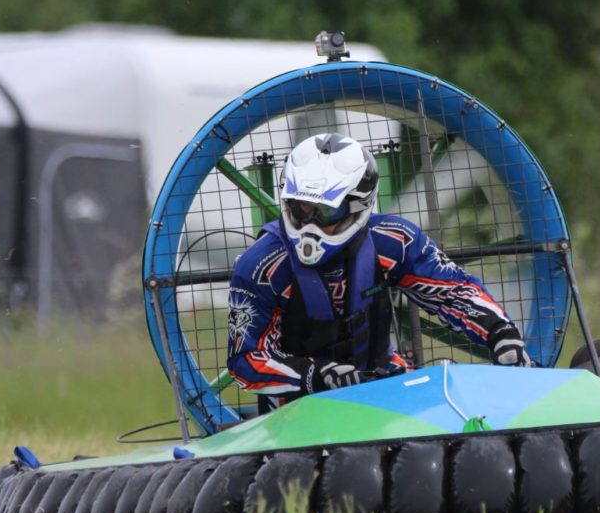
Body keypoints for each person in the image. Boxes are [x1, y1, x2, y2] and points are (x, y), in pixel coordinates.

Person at [226, 133, 531, 412]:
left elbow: (454, 292)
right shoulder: (261, 265)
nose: (310, 224)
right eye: (301, 207)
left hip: (383, 386)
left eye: (326, 211)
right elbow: (245, 360)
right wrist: (316, 375)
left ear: (359, 205)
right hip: (297, 406)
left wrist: (500, 333)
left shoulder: (395, 241)